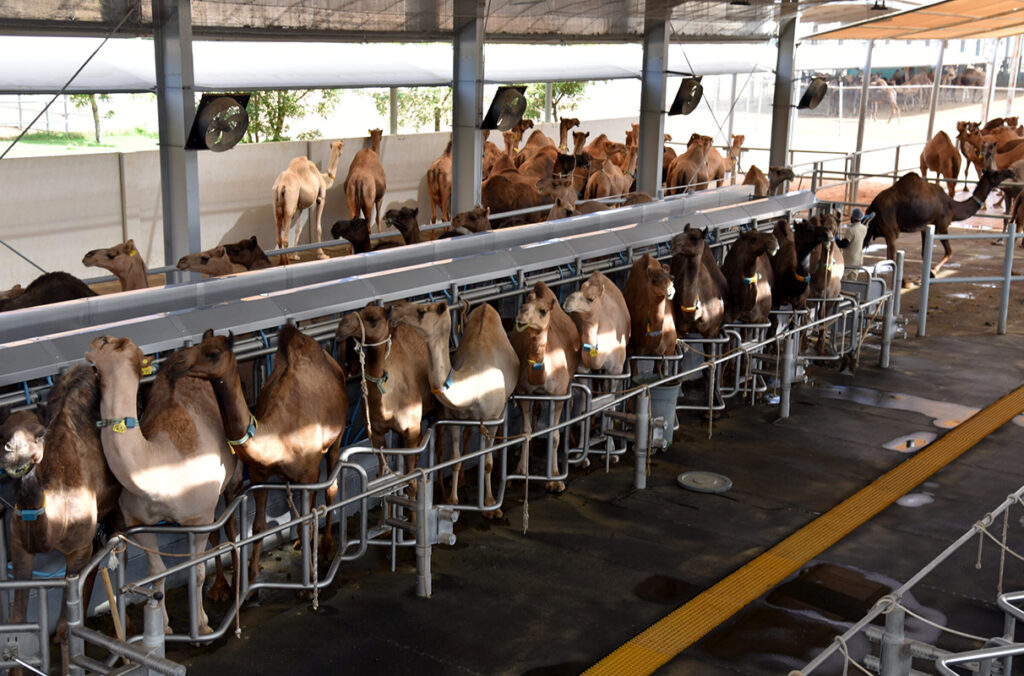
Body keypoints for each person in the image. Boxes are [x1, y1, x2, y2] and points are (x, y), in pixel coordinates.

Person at [837, 207, 872, 279]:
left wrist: (836, 239)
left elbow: (844, 244)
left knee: (844, 280)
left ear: (853, 218)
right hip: (858, 260)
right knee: (853, 280)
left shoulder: (851, 230)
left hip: (849, 261)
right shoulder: (864, 229)